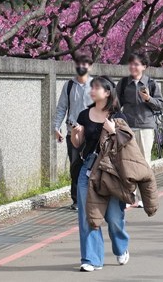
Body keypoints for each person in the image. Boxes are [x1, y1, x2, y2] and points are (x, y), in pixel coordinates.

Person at [70, 76, 132, 272]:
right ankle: (91, 259)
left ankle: (121, 247)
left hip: (111, 171)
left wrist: (114, 131)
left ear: (107, 93)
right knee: (88, 215)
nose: (92, 90)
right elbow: (78, 144)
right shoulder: (83, 115)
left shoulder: (119, 117)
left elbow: (127, 145)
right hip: (87, 170)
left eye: (97, 87)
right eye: (92, 87)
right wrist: (76, 134)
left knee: (114, 217)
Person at [116, 52, 163, 206]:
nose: (133, 67)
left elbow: (160, 105)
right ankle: (130, 197)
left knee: (144, 163)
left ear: (144, 66)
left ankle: (145, 198)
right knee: (128, 162)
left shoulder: (151, 83)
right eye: (131, 64)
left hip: (145, 126)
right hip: (128, 127)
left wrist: (148, 99)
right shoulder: (124, 83)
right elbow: (116, 104)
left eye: (136, 64)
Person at [53, 52, 95, 211]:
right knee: (76, 166)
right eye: (79, 63)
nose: (81, 67)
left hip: (92, 134)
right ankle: (77, 200)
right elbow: (61, 108)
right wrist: (56, 128)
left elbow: (101, 107)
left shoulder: (95, 85)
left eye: (85, 64)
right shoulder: (69, 85)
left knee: (92, 166)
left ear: (90, 66)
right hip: (73, 133)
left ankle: (92, 197)